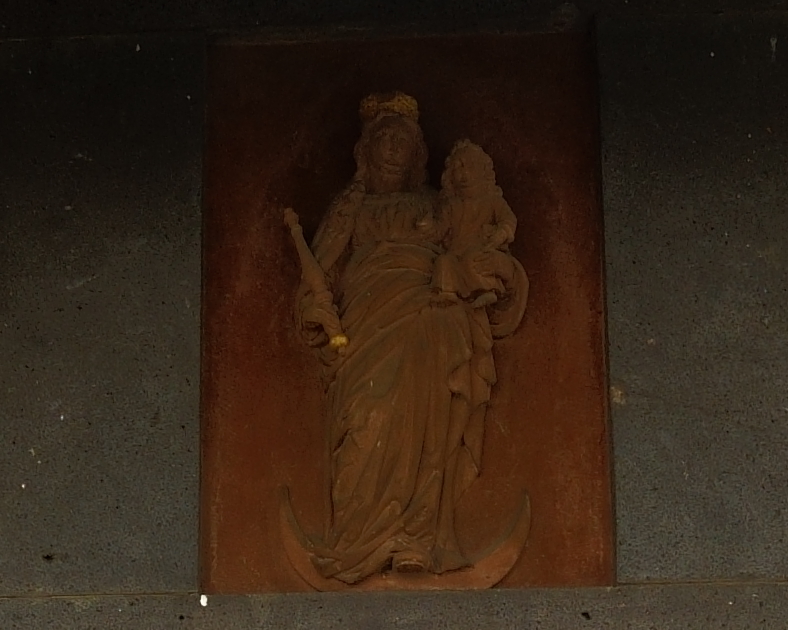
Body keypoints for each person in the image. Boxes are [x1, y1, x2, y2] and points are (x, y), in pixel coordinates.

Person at [294, 92, 527, 584]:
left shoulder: (438, 206)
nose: (393, 149)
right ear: (366, 150)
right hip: (365, 324)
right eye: (384, 139)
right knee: (367, 418)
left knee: (427, 430)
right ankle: (355, 540)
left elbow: (473, 252)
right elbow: (319, 275)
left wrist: (489, 271)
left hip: (428, 322)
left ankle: (416, 538)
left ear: (417, 153)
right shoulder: (350, 207)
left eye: (403, 141)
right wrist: (315, 312)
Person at [431, 140, 518, 308]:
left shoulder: (492, 201)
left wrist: (502, 232)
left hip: (478, 249)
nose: (463, 173)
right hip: (456, 251)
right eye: (457, 167)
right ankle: (447, 292)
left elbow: (508, 219)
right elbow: (440, 228)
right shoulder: (451, 205)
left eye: (470, 166)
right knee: (444, 261)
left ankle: (486, 290)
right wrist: (429, 228)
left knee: (475, 262)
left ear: (483, 171)